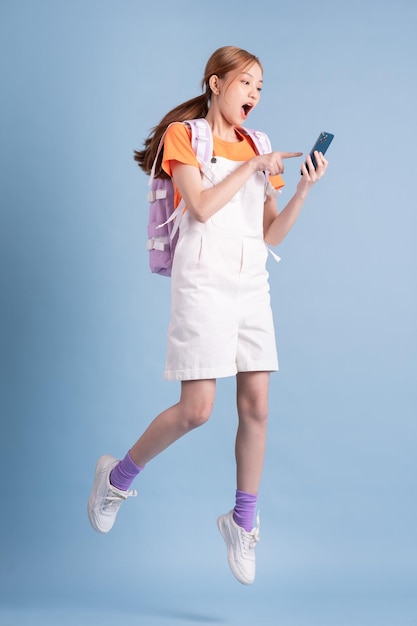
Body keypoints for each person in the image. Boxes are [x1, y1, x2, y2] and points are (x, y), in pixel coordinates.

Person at [87, 45, 328, 585]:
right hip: (202, 283)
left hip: (250, 284)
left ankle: (242, 522)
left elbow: (271, 234)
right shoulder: (184, 138)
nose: (255, 96)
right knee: (197, 410)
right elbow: (197, 206)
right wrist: (249, 169)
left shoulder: (257, 144)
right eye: (247, 83)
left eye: (261, 88)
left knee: (258, 406)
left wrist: (305, 187)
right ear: (216, 83)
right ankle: (117, 477)